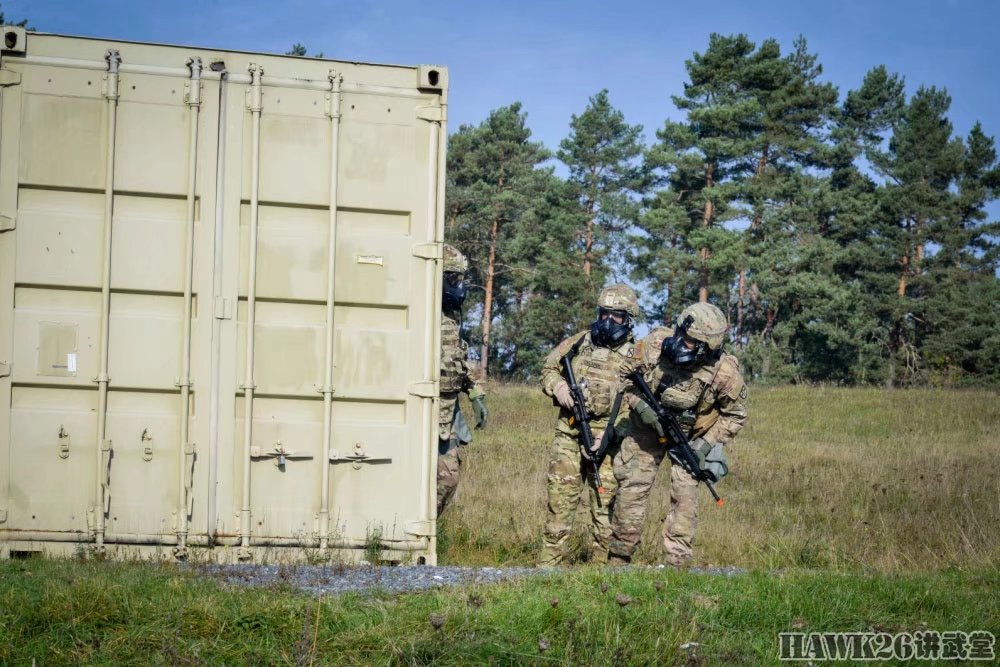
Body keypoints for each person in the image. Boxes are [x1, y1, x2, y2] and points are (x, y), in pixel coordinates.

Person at [608, 302, 747, 567]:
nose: (681, 344)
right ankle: (618, 558)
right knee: (632, 486)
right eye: (681, 335)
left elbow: (736, 414)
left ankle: (676, 565)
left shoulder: (725, 371)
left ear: (708, 348)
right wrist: (642, 408)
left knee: (684, 498)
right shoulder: (653, 345)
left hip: (691, 439)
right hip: (647, 429)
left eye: (691, 342)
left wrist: (704, 445)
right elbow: (623, 377)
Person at [538, 284, 640, 566]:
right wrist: (557, 386)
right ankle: (546, 573)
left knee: (604, 514)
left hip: (609, 445)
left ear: (628, 318)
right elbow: (548, 368)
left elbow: (639, 404)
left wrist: (609, 435)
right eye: (604, 313)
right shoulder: (579, 342)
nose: (608, 321)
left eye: (616, 316)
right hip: (569, 436)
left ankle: (599, 578)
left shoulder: (637, 357)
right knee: (559, 508)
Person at [436, 244, 487, 516]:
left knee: (449, 479)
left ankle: (425, 532)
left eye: (460, 279)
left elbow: (457, 356)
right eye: (453, 279)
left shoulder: (451, 315)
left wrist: (474, 392)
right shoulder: (421, 313)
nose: (459, 286)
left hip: (448, 409)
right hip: (426, 410)